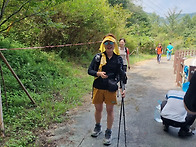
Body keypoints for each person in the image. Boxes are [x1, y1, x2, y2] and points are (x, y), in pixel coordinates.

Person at [88, 33, 127, 145]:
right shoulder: (98, 57)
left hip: (111, 88)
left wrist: (122, 88)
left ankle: (108, 132)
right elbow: (89, 71)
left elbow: (121, 75)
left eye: (111, 42)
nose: (109, 45)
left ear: (114, 45)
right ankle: (98, 127)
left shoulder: (118, 59)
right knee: (98, 109)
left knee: (110, 110)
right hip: (98, 87)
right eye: (106, 42)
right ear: (103, 45)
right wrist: (98, 73)